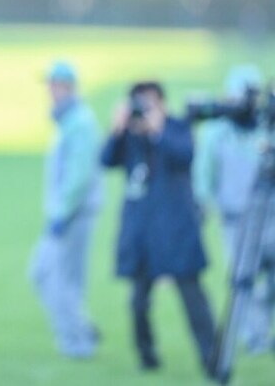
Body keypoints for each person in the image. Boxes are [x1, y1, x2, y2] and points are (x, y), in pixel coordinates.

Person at [101, 81, 215, 373]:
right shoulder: (130, 135)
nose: (144, 110)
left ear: (163, 104)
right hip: (142, 233)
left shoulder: (177, 127)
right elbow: (106, 160)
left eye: (149, 103)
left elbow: (185, 155)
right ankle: (147, 356)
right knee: (138, 302)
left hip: (176, 230)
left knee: (194, 300)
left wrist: (158, 131)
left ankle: (211, 358)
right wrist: (117, 128)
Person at [192, 64, 274, 354]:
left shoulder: (267, 127)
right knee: (242, 278)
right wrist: (203, 203)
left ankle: (262, 317)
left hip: (270, 215)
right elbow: (205, 172)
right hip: (234, 218)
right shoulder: (217, 132)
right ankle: (254, 336)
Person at [29, 60, 103, 359]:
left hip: (73, 215)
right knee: (44, 273)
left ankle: (77, 342)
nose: (50, 91)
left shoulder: (80, 122)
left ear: (68, 87)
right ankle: (81, 330)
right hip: (65, 215)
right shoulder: (69, 120)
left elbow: (79, 175)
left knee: (62, 280)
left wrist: (61, 215)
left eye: (55, 85)